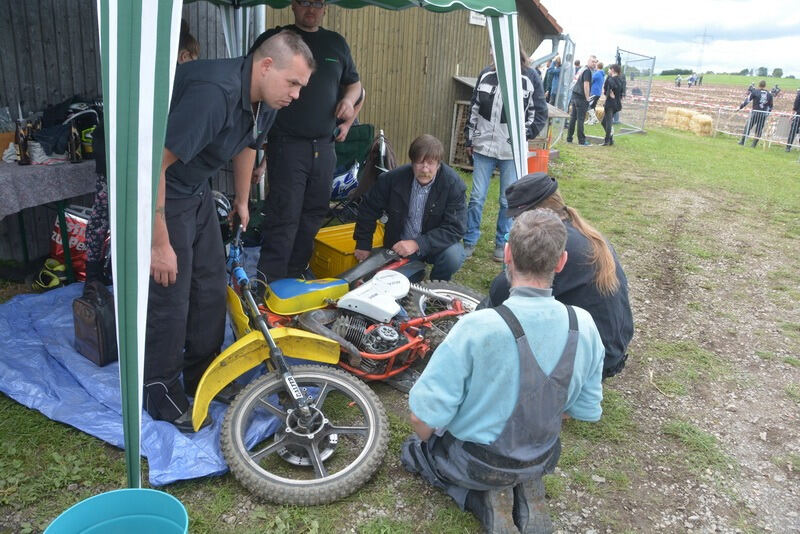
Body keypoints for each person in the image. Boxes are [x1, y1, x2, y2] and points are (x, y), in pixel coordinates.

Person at [144, 31, 314, 432]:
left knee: (208, 286)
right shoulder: (213, 94)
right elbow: (152, 166)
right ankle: (160, 391)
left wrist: (241, 200)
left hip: (196, 188)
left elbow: (247, 145)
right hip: (161, 187)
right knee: (172, 288)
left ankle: (202, 373)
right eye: (293, 83)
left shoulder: (268, 99)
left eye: (302, 87)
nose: (296, 95)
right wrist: (159, 241)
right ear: (266, 66)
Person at [401, 208, 604, 533]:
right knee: (516, 453)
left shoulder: (475, 327)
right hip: (542, 454)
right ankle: (523, 483)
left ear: (507, 254)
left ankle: (480, 499)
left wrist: (430, 441)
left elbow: (421, 419)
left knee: (415, 450)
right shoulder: (585, 325)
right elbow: (580, 409)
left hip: (477, 462)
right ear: (561, 262)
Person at [251, 0, 363, 286]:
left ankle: (295, 277)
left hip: (324, 147)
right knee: (284, 217)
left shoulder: (335, 43)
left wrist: (349, 104)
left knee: (313, 214)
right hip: (287, 145)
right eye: (304, 2)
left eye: (317, 3)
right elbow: (251, 77)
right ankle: (268, 284)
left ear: (325, 7)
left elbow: (355, 84)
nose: (310, 9)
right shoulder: (277, 40)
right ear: (292, 5)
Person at [481, 173, 633, 379]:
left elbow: (501, 292)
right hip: (610, 344)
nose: (515, 223)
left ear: (534, 215)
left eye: (517, 217)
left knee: (498, 319)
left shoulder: (554, 245)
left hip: (597, 357)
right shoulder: (577, 231)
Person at [84, 22, 200, 285]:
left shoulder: (166, 78)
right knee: (107, 214)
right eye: (193, 58)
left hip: (136, 159)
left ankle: (116, 272)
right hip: (115, 158)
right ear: (183, 56)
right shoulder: (150, 74)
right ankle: (94, 276)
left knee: (125, 218)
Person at [463, 47, 547, 262]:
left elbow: (538, 113)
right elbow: (474, 107)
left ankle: (503, 243)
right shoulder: (486, 75)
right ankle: (469, 239)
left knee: (507, 200)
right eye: (490, 49)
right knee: (476, 197)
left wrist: (522, 138)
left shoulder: (529, 77)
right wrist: (470, 138)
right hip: (483, 148)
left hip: (510, 151)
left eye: (495, 49)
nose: (491, 53)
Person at [353, 134, 466, 281]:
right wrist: (363, 243)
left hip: (436, 246)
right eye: (420, 163)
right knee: (393, 285)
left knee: (453, 256)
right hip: (400, 246)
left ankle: (437, 285)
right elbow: (368, 208)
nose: (425, 169)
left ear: (439, 164)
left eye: (430, 163)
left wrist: (418, 243)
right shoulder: (391, 179)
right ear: (412, 162)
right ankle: (414, 272)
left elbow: (455, 228)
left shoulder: (453, 184)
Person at [566, 55, 596, 146]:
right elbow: (586, 85)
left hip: (574, 95)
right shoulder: (587, 71)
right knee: (580, 119)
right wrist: (587, 98)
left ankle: (569, 138)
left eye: (595, 62)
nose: (594, 63)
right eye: (592, 61)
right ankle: (581, 141)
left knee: (573, 118)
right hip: (581, 97)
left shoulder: (582, 69)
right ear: (588, 61)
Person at [738, 80, 773, 148]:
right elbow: (771, 106)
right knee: (759, 129)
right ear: (765, 86)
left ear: (759, 85)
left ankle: (742, 141)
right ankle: (754, 144)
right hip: (763, 114)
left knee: (748, 127)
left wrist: (741, 107)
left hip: (755, 113)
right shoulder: (769, 94)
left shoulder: (755, 92)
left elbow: (747, 100)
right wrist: (767, 114)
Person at [601, 64, 623, 146]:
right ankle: (610, 138)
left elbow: (607, 90)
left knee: (608, 122)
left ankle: (607, 140)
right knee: (604, 122)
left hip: (610, 103)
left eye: (609, 69)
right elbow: (621, 92)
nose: (608, 71)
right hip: (617, 103)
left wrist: (610, 93)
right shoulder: (621, 80)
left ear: (613, 70)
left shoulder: (610, 80)